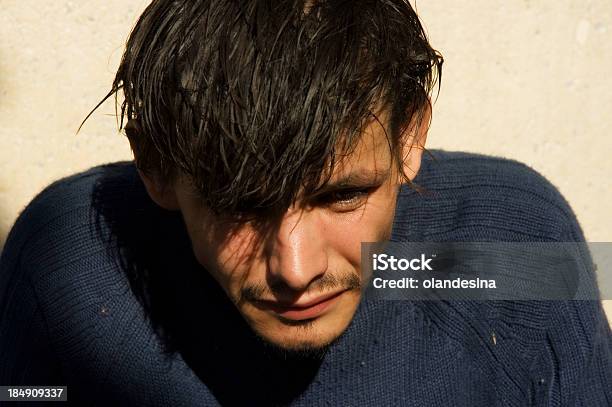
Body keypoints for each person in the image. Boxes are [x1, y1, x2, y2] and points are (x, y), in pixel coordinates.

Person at [0, 1, 610, 405]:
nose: (296, 269)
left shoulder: (511, 246)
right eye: (240, 205)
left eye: (344, 196)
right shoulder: (67, 266)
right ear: (156, 168)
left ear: (409, 138)